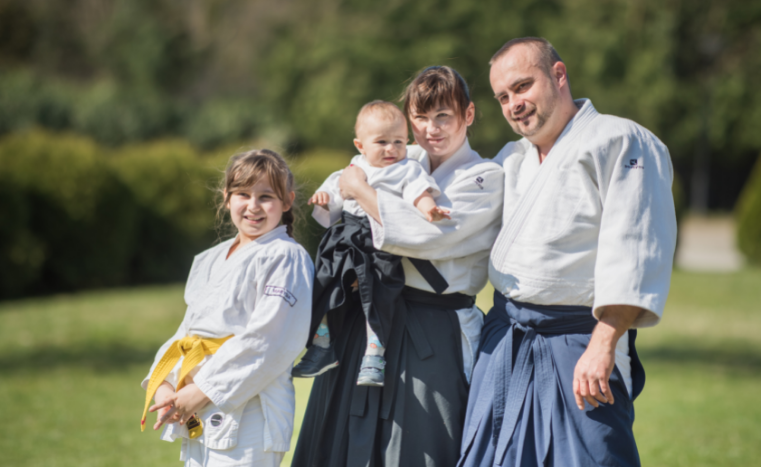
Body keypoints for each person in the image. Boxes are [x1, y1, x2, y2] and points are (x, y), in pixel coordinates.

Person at [458, 37, 677, 467]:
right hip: (505, 339)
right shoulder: (511, 159)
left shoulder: (621, 141)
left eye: (522, 87)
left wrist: (603, 344)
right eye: (503, 97)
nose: (513, 104)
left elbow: (635, 248)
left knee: (589, 457)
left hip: (579, 341)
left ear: (558, 75)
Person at [291, 66, 504, 467]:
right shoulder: (397, 158)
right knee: (341, 436)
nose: (431, 129)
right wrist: (343, 194)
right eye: (420, 118)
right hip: (369, 315)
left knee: (418, 445)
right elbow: (342, 209)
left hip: (433, 324)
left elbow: (429, 237)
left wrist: (361, 191)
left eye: (444, 116)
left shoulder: (485, 177)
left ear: (469, 115)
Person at [139, 150, 314, 467]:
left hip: (248, 410)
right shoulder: (209, 258)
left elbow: (268, 340)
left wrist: (204, 390)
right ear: (226, 197)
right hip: (197, 402)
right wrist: (165, 383)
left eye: (266, 196)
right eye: (243, 194)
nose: (253, 206)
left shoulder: (285, 256)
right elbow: (187, 332)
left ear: (287, 201)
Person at [292, 100, 449, 387]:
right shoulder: (355, 167)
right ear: (360, 144)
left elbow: (419, 192)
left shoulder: (407, 169)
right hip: (346, 237)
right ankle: (321, 345)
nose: (391, 149)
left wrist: (429, 209)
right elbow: (334, 189)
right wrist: (324, 198)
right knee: (328, 286)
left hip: (380, 243)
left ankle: (374, 355)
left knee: (376, 296)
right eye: (382, 142)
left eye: (398, 141)